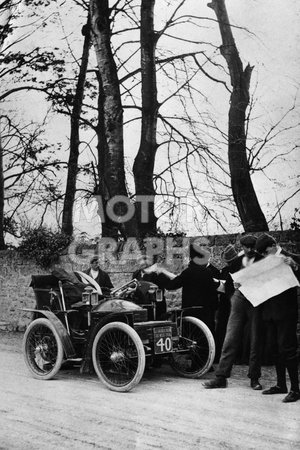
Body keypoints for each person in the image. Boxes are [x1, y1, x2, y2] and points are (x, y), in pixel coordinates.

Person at [204, 234, 264, 390]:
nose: (250, 250)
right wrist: (233, 296)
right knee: (230, 337)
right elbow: (229, 285)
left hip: (256, 299)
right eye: (247, 247)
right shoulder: (236, 262)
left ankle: (254, 378)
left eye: (252, 247)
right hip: (239, 299)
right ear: (242, 247)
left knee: (255, 339)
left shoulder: (262, 261)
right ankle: (221, 377)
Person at [255, 233, 300, 403]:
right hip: (270, 313)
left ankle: (296, 389)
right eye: (263, 254)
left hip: (286, 313)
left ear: (274, 245)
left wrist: (295, 266)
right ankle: (281, 384)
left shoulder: (291, 258)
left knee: (288, 349)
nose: (266, 256)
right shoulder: (264, 263)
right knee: (274, 349)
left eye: (267, 252)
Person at [156, 237, 220, 335]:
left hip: (191, 311)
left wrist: (161, 274)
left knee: (191, 335)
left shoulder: (188, 272)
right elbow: (213, 293)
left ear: (191, 258)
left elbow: (172, 285)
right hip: (207, 312)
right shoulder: (208, 272)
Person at [214, 244, 240, 363]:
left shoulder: (227, 270)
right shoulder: (237, 268)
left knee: (224, 330)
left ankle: (222, 355)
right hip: (231, 303)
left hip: (229, 303)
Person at [132, 255, 170, 320]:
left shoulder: (155, 273)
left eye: (144, 265)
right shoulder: (136, 273)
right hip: (141, 303)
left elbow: (163, 285)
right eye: (140, 264)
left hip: (155, 302)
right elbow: (133, 285)